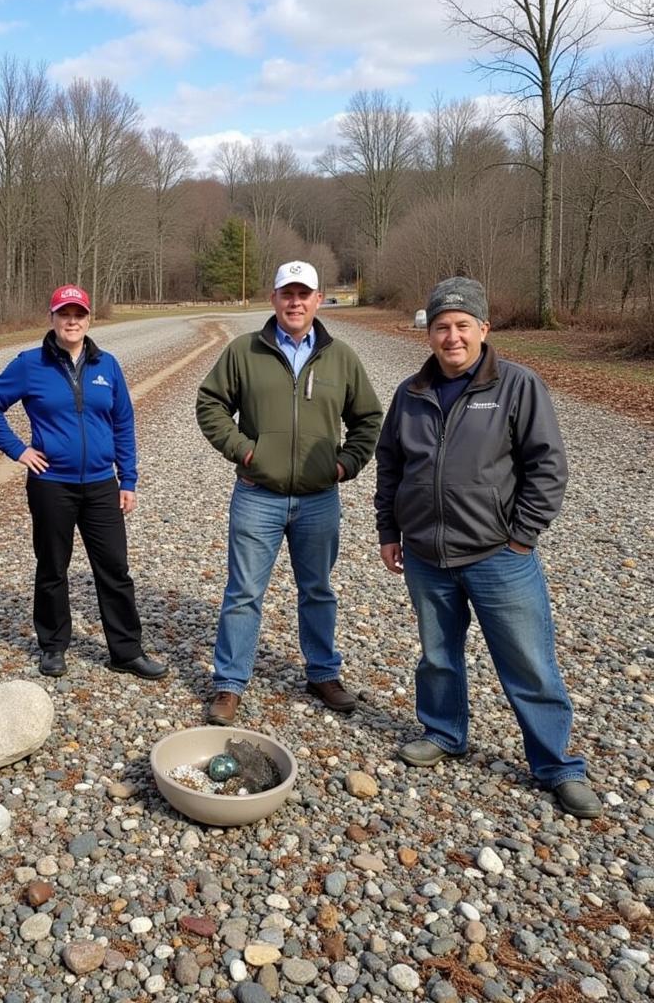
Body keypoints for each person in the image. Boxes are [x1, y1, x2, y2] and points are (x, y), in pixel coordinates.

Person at [374, 276, 602, 819]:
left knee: (528, 663)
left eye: (461, 326)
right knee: (437, 657)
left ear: (483, 328)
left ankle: (557, 766)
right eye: (440, 327)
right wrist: (389, 531)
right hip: (426, 557)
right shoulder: (410, 394)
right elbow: (390, 465)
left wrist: (522, 534)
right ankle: (444, 732)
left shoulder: (518, 385)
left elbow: (548, 467)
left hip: (499, 556)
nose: (451, 337)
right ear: (427, 334)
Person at [196, 261, 382, 725]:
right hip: (257, 495)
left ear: (320, 299)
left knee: (317, 590)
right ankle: (229, 683)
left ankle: (322, 673)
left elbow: (368, 420)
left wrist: (344, 464)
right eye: (286, 294)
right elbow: (210, 404)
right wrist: (245, 453)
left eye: (304, 294)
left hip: (320, 499)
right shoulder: (244, 352)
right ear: (274, 299)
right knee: (243, 592)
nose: (295, 302)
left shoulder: (341, 358)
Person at [0, 284, 167, 681]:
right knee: (52, 568)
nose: (72, 321)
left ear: (89, 319)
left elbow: (123, 423)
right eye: (65, 314)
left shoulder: (107, 365)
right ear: (53, 319)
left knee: (114, 569)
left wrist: (127, 479)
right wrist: (19, 450)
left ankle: (126, 651)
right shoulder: (30, 364)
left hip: (100, 484)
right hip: (51, 485)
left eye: (79, 314)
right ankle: (53, 646)